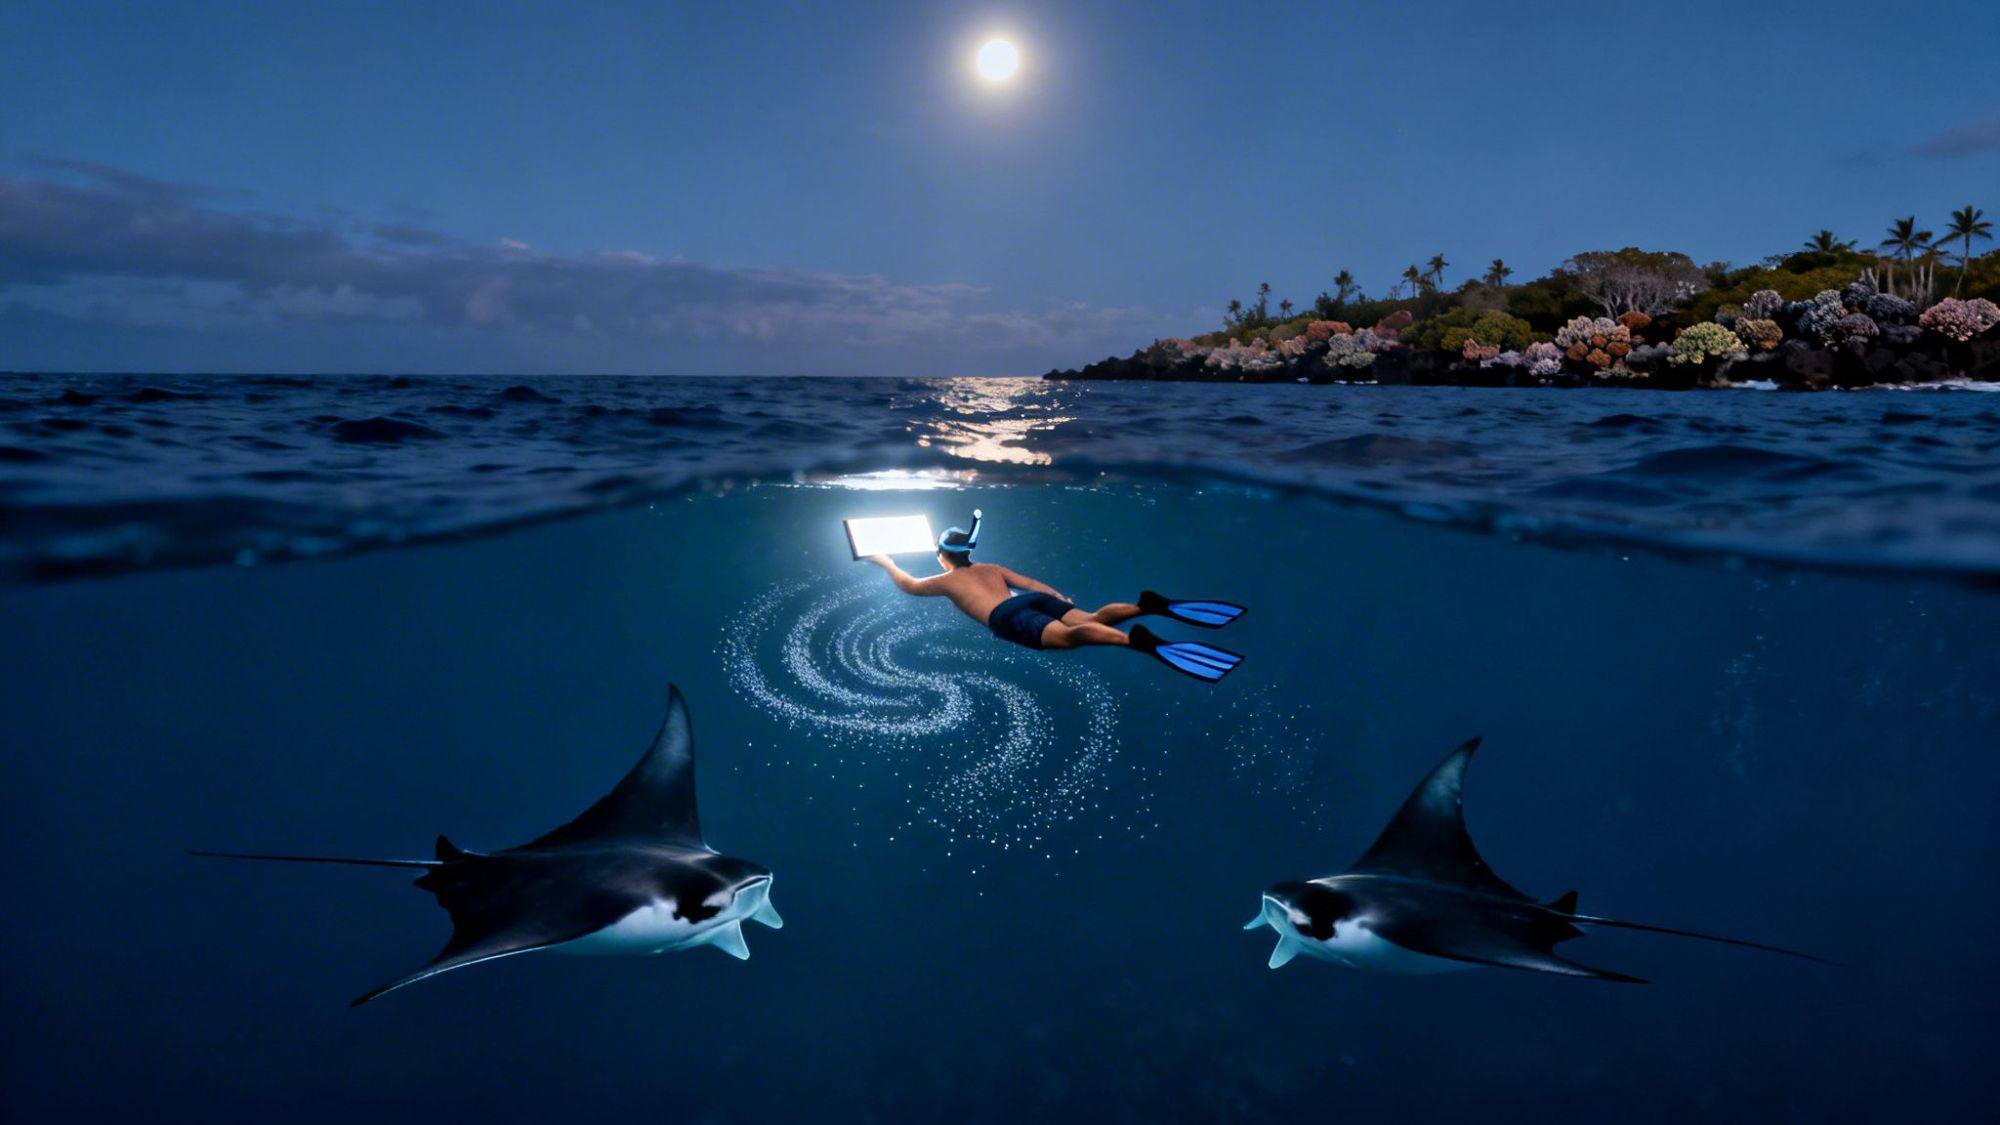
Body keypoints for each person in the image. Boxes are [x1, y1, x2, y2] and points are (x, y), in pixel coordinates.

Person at [864, 510, 1247, 682]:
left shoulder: (945, 580)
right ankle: (1144, 606)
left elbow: (909, 586)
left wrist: (885, 561)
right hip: (1029, 600)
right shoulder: (990, 567)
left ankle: (1136, 641)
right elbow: (1030, 582)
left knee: (1067, 639)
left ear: (942, 556)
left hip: (1007, 617)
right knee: (1092, 618)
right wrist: (1056, 596)